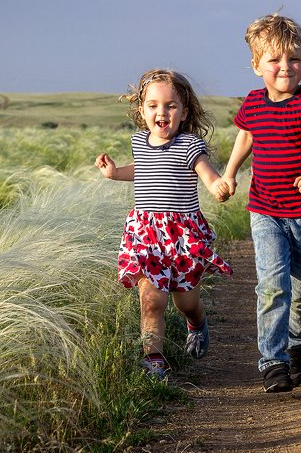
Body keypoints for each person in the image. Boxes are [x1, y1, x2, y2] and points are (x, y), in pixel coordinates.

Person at [221, 13, 301, 393]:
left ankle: (296, 346)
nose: (284, 67)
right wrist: (230, 173)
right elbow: (246, 136)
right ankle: (272, 361)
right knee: (273, 284)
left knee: (300, 292)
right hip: (265, 211)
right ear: (256, 65)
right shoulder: (253, 103)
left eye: (293, 59)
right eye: (274, 60)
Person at [96, 68, 232, 380]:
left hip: (182, 236)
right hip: (146, 234)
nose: (162, 112)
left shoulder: (190, 146)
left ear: (184, 112)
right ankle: (154, 361)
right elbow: (142, 169)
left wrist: (217, 188)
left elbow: (208, 174)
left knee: (186, 301)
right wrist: (115, 173)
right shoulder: (140, 142)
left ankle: (196, 322)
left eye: (171, 105)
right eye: (153, 105)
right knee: (151, 300)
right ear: (142, 110)